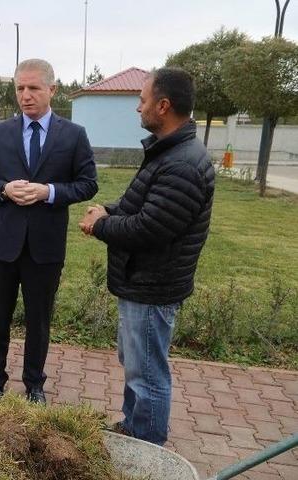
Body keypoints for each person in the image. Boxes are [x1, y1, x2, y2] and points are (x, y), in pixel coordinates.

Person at [79, 67, 215, 446]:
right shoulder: (169, 151)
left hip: (152, 286)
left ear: (164, 105)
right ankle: (132, 425)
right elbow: (138, 202)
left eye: (142, 100)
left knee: (148, 374)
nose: (137, 109)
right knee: (137, 367)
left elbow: (149, 229)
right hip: (142, 282)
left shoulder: (182, 163)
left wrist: (99, 226)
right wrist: (105, 209)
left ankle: (147, 447)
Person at [0, 58, 98, 403]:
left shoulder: (73, 136)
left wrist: (49, 192)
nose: (25, 96)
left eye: (33, 88)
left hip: (45, 245)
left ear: (51, 90)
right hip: (1, 243)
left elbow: (88, 185)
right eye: (19, 89)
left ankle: (34, 384)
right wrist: (3, 190)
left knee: (39, 319)